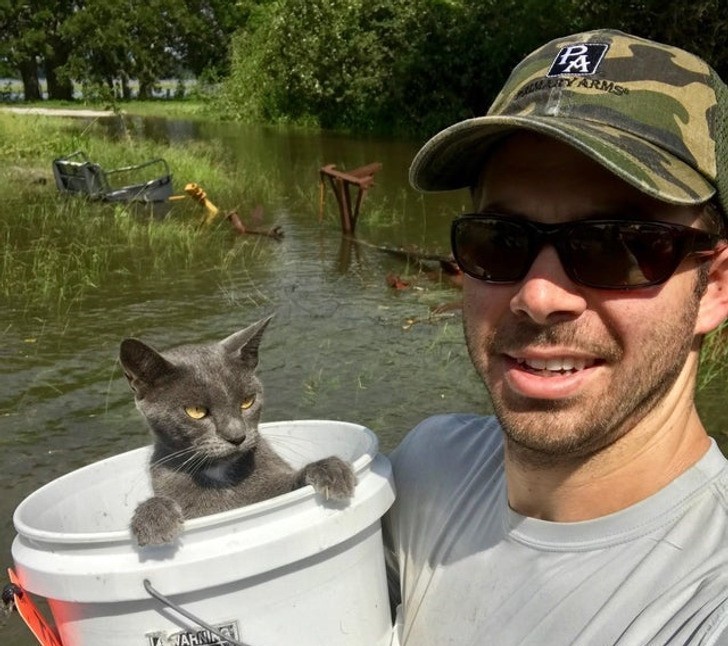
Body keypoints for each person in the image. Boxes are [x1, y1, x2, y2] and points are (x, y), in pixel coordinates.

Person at [384, 29, 728, 645]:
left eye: (618, 246)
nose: (539, 296)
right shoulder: (426, 468)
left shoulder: (707, 601)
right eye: (499, 239)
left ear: (716, 286)